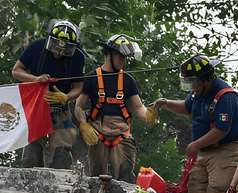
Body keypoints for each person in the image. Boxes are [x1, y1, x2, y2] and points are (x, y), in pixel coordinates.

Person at [152, 54, 238, 193]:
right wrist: (166, 104)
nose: (192, 88)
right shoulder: (198, 93)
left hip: (228, 148)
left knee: (217, 190)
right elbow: (186, 107)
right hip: (206, 149)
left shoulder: (225, 96)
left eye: (194, 83)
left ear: (208, 79)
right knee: (195, 186)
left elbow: (221, 129)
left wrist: (195, 145)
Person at [74, 34, 157, 183]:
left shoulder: (128, 80)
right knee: (95, 178)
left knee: (125, 175)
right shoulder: (92, 77)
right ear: (110, 54)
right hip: (97, 131)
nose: (122, 61)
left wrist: (147, 115)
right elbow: (78, 106)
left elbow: (138, 107)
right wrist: (83, 124)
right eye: (120, 56)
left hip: (121, 131)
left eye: (125, 57)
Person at [12, 19, 86, 169]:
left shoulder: (77, 57)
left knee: (63, 155)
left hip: (61, 111)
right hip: (36, 109)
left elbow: (79, 87)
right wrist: (36, 79)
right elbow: (16, 71)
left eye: (64, 49)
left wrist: (66, 97)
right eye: (56, 45)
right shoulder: (37, 46)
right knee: (31, 154)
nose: (59, 52)